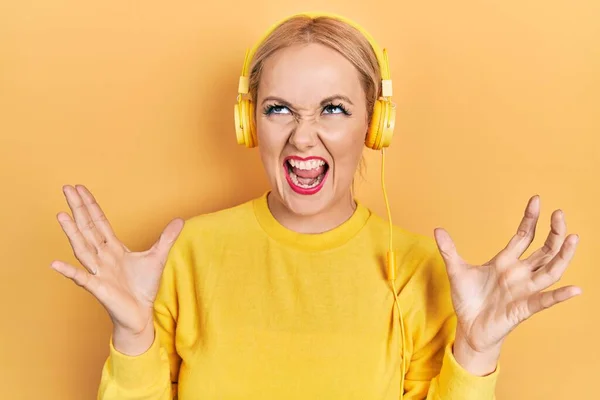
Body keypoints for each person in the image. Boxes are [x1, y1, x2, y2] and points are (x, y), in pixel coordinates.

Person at [51, 13, 581, 400]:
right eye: (279, 109)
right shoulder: (184, 254)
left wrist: (476, 350)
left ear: (374, 125)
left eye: (333, 109)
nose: (303, 138)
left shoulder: (423, 272)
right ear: (249, 123)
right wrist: (133, 335)